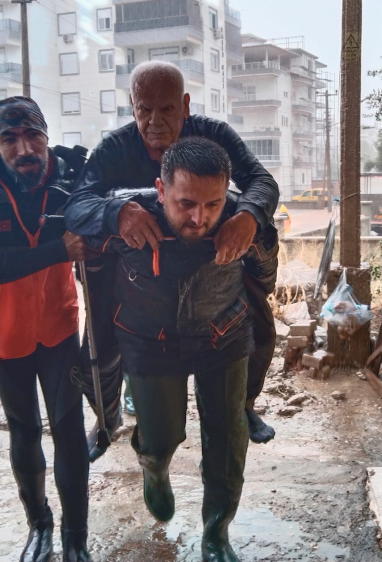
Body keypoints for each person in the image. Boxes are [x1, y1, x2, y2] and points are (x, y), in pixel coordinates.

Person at [64, 61, 281, 460]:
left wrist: (248, 215)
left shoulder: (214, 135)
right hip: (138, 266)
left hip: (210, 256)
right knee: (99, 338)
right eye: (144, 109)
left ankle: (244, 406)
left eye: (166, 110)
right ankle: (106, 415)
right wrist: (118, 212)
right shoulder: (115, 148)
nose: (154, 121)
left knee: (259, 324)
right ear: (132, 108)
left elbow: (262, 180)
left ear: (185, 105)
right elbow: (78, 203)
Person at [87, 138, 278, 562]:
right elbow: (81, 226)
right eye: (186, 203)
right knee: (159, 438)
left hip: (223, 334)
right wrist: (110, 216)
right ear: (160, 190)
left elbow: (265, 275)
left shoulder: (240, 217)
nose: (199, 218)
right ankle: (154, 468)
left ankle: (217, 532)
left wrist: (253, 231)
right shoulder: (129, 215)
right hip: (148, 339)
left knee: (228, 441)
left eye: (213, 205)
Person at [0, 97, 99, 562]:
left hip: (58, 325)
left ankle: (77, 535)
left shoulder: (72, 172)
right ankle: (40, 526)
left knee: (69, 430)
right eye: (9, 139)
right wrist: (58, 250)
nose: (24, 148)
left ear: (47, 134)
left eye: (33, 135)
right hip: (4, 331)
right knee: (24, 432)